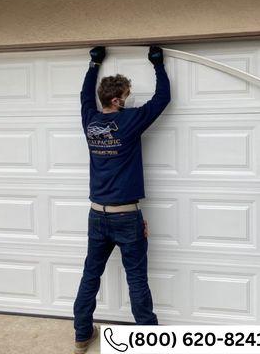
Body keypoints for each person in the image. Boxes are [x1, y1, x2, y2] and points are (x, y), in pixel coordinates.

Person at [73, 45, 170, 354]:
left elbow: (85, 96)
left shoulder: (90, 118)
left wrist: (93, 63)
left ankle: (81, 335)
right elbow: (162, 99)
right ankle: (149, 341)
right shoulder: (130, 122)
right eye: (126, 95)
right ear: (117, 100)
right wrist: (158, 64)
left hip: (96, 214)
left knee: (91, 274)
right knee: (137, 279)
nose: (129, 99)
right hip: (126, 217)